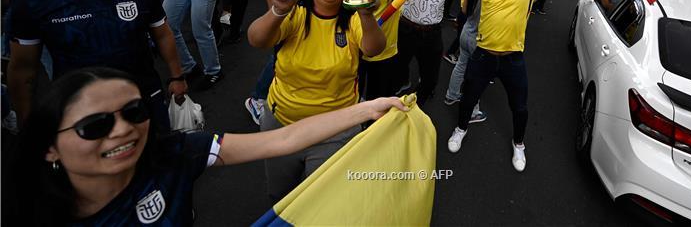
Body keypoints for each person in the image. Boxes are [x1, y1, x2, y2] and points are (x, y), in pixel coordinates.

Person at [11, 67, 405, 225]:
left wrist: (367, 109)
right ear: (49, 148)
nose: (121, 130)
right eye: (94, 126)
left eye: (133, 112)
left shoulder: (177, 153)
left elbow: (282, 138)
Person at [447, 0, 607, 171]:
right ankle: (460, 129)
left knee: (519, 106)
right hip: (483, 56)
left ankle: (519, 144)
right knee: (468, 98)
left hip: (513, 59)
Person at [6, 0, 187, 129]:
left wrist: (176, 77)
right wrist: (26, 126)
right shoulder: (33, 7)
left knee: (159, 156)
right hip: (80, 110)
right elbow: (23, 71)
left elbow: (162, 34)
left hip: (142, 100)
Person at [248, 0, 386, 202]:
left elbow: (374, 49)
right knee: (280, 196)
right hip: (282, 126)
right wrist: (278, 9)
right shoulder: (294, 15)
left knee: (319, 200)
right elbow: (257, 39)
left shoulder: (355, 20)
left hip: (336, 130)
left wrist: (366, 15)